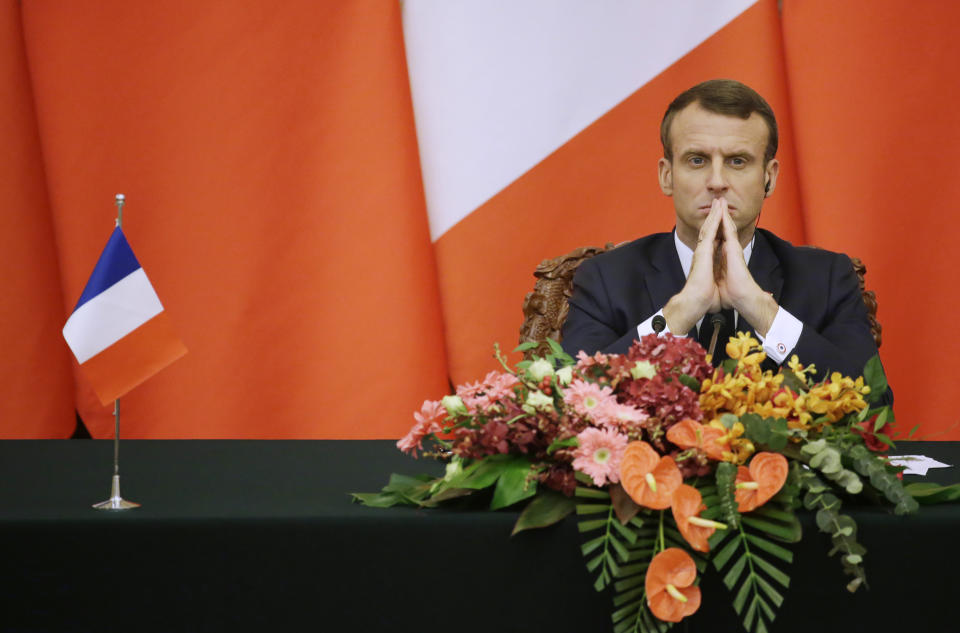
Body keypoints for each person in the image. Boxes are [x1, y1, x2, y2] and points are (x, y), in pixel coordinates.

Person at [561, 79, 886, 392]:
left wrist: (760, 309)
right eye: (697, 160)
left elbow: (873, 406)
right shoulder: (606, 279)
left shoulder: (826, 279)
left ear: (769, 179)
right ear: (667, 176)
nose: (717, 181)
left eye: (737, 161)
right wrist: (680, 312)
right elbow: (570, 405)